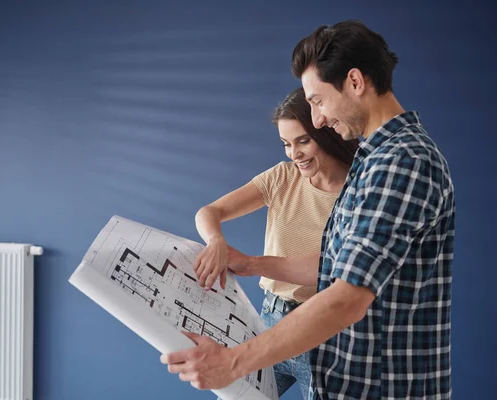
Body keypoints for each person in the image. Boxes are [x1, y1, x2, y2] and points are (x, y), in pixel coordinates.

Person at [161, 20, 455, 400]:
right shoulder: (373, 159)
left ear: (354, 82)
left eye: (317, 100)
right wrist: (251, 265)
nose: (317, 120)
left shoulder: (402, 162)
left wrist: (233, 361)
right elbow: (334, 268)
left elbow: (347, 297)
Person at [192, 87, 358, 398]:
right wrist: (215, 240)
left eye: (303, 141)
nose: (294, 154)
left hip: (324, 335)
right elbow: (209, 212)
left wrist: (252, 264)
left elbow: (328, 268)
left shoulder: (357, 194)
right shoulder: (283, 177)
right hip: (269, 322)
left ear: (326, 133)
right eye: (286, 144)